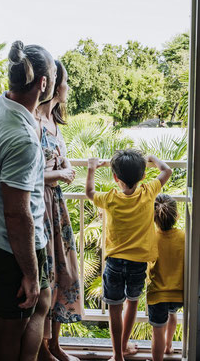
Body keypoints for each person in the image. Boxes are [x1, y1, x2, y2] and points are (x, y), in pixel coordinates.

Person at [0, 40, 57, 361]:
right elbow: (17, 213)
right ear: (43, 83)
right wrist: (31, 275)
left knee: (42, 302)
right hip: (12, 244)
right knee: (10, 329)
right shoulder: (21, 139)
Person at [85, 150, 172, 361]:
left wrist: (91, 168)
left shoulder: (109, 199)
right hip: (139, 263)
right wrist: (152, 159)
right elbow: (167, 170)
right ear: (143, 176)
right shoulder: (149, 191)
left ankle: (117, 355)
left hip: (114, 262)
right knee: (132, 302)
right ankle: (124, 345)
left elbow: (89, 192)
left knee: (114, 309)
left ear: (115, 178)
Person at [36, 60, 82, 361]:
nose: (67, 87)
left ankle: (56, 345)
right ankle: (41, 348)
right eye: (64, 81)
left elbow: (61, 161)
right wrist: (59, 174)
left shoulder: (53, 120)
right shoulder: (34, 121)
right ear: (54, 84)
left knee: (63, 272)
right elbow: (30, 174)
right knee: (47, 274)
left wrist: (65, 168)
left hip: (57, 206)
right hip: (40, 205)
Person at [147, 194, 185, 361]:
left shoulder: (151, 238)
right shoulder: (184, 237)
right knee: (172, 314)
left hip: (157, 294)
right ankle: (169, 346)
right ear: (176, 216)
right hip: (179, 293)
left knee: (157, 331)